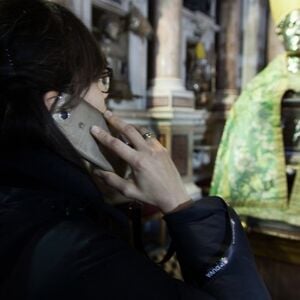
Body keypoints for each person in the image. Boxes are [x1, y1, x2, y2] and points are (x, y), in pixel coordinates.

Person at [0, 0, 270, 299]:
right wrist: (180, 203)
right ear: (60, 108)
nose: (107, 101)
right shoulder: (86, 256)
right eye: (101, 80)